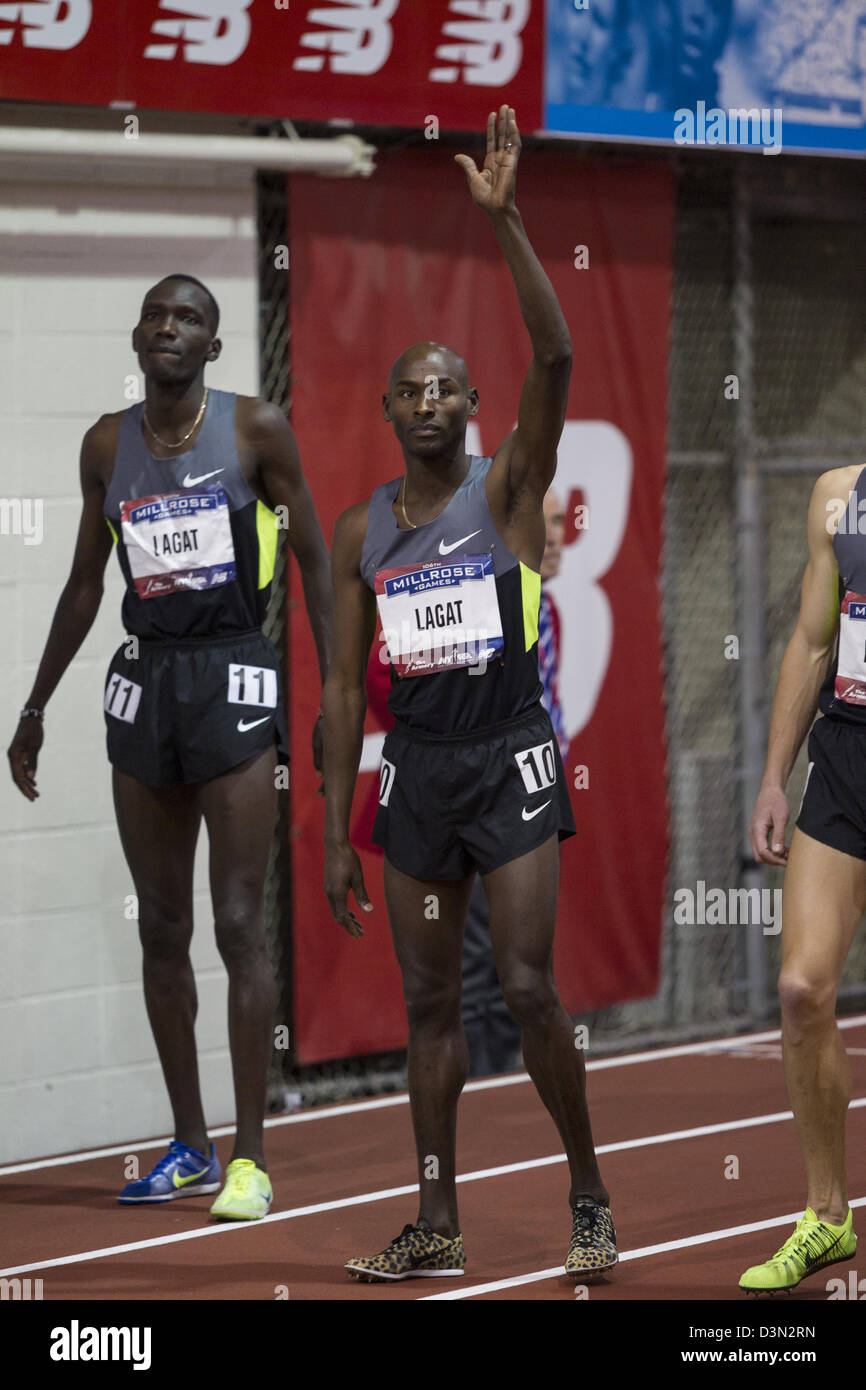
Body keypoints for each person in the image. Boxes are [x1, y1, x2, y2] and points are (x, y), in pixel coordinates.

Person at [322, 108, 615, 1283]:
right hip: (417, 778)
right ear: (390, 412)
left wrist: (506, 226)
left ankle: (586, 1185)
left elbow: (556, 359)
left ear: (468, 405)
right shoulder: (356, 532)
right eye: (413, 390)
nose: (431, 401)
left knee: (530, 982)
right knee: (428, 1007)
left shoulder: (504, 495)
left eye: (448, 386)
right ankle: (435, 1222)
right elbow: (344, 683)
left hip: (509, 754)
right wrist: (339, 832)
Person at [7, 274, 332, 1220]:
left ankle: (251, 1156)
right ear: (138, 336)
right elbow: (80, 585)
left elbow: (314, 560)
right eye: (155, 315)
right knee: (160, 926)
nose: (168, 328)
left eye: (188, 317)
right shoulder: (107, 444)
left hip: (233, 673)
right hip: (145, 682)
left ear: (213, 348)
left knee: (237, 922)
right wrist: (32, 706)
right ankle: (189, 1144)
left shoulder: (257, 430)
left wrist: (327, 700)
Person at [741, 466, 861, 1292]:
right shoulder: (839, 496)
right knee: (801, 988)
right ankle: (826, 1217)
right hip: (850, 752)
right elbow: (815, 640)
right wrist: (776, 776)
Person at [462, 488, 570, 1077]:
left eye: (559, 521)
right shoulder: (493, 602)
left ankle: (512, 1070)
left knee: (525, 950)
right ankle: (481, 1075)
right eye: (543, 522)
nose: (554, 536)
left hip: (538, 787)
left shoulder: (545, 607)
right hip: (492, 792)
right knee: (481, 944)